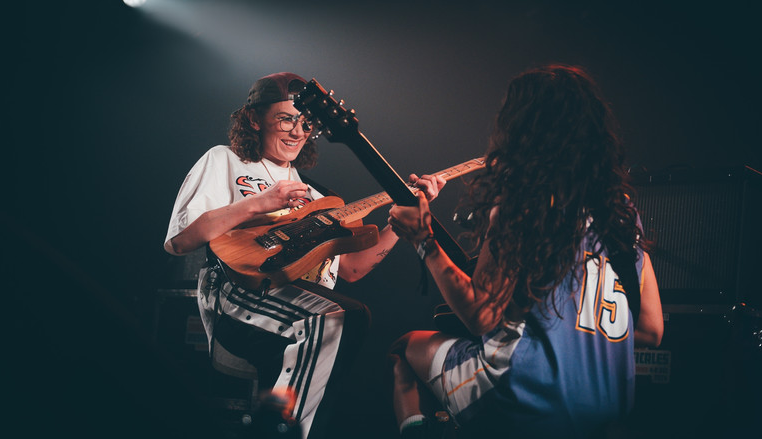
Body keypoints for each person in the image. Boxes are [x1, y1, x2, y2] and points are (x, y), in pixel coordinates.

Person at [163, 72, 446, 439]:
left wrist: (405, 218)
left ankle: (279, 423)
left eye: (306, 122)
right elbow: (179, 241)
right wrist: (258, 204)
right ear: (253, 118)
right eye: (286, 118)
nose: (298, 131)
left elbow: (354, 269)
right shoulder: (226, 161)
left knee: (341, 318)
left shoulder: (318, 196)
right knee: (339, 317)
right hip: (242, 293)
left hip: (306, 306)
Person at [387, 65, 664, 438]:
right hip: (607, 407)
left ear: (520, 130)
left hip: (529, 397)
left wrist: (424, 241)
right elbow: (650, 329)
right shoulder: (621, 213)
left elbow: (482, 315)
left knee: (405, 347)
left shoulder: (524, 205)